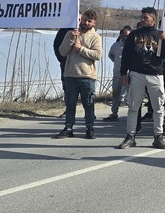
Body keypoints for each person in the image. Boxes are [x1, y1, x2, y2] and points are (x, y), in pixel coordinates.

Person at [117, 6, 165, 150]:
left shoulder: (160, 34)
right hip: (136, 74)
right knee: (133, 106)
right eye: (141, 17)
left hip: (155, 74)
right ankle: (130, 136)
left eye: (145, 17)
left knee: (158, 107)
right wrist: (124, 73)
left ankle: (158, 137)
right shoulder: (134, 35)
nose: (142, 19)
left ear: (153, 19)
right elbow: (126, 56)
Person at [54, 9, 102, 139]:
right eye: (84, 19)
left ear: (94, 23)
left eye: (89, 21)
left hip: (87, 76)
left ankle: (89, 127)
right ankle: (68, 127)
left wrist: (80, 49)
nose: (85, 22)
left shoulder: (95, 37)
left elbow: (97, 55)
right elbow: (62, 52)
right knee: (70, 103)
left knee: (88, 104)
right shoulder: (70, 33)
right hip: (70, 74)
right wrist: (70, 39)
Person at [104, 25, 132, 121]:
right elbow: (111, 55)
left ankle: (132, 115)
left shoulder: (133, 47)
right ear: (121, 35)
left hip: (130, 76)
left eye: (129, 35)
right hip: (117, 75)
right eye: (125, 35)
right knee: (116, 94)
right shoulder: (115, 46)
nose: (127, 37)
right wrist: (117, 63)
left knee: (132, 95)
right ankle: (114, 113)